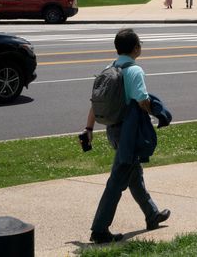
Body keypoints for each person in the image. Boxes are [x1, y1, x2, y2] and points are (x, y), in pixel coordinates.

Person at [81, 28, 170, 243]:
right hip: (129, 133)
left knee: (133, 174)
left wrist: (89, 129)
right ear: (136, 48)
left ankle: (152, 215)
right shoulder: (134, 70)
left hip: (112, 130)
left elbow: (95, 104)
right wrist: (158, 112)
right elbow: (142, 100)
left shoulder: (109, 68)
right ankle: (100, 230)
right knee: (117, 181)